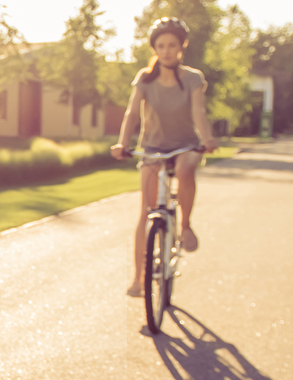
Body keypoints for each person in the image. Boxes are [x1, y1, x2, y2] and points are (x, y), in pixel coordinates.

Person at [110, 17, 219, 297]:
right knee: (145, 212)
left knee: (185, 170)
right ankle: (138, 278)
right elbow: (132, 114)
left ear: (181, 47)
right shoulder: (145, 79)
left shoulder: (193, 78)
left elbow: (198, 112)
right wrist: (122, 143)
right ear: (155, 49)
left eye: (172, 45)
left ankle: (185, 226)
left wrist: (206, 139)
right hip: (153, 147)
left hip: (185, 145)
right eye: (161, 45)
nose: (166, 50)